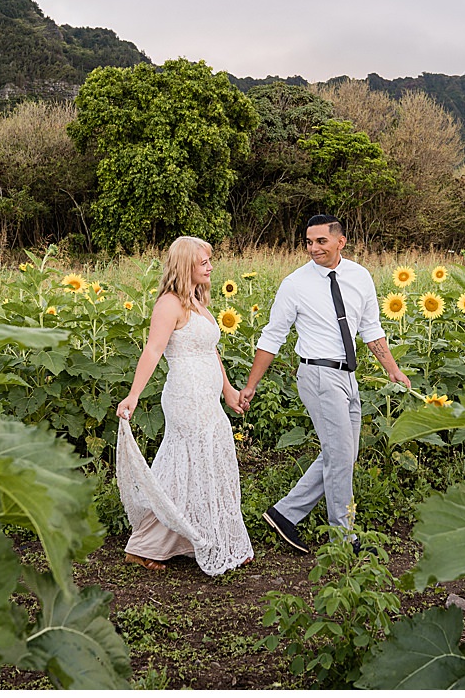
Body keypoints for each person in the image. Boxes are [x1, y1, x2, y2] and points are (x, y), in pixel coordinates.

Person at [240, 215, 409, 552]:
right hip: (317, 374)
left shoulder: (360, 277)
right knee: (341, 454)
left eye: (320, 241)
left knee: (344, 453)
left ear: (340, 242)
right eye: (308, 242)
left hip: (348, 375)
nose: (313, 248)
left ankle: (285, 513)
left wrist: (393, 369)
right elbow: (273, 335)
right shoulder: (295, 284)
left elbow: (371, 328)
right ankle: (344, 538)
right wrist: (250, 385)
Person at [113, 236, 255, 575]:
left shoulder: (197, 300)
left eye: (209, 261)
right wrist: (133, 395)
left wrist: (229, 391)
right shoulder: (169, 304)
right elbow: (152, 350)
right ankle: (146, 545)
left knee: (204, 464)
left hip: (207, 396)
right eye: (203, 262)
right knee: (188, 464)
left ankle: (194, 539)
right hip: (186, 396)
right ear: (184, 266)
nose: (210, 266)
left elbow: (211, 352)